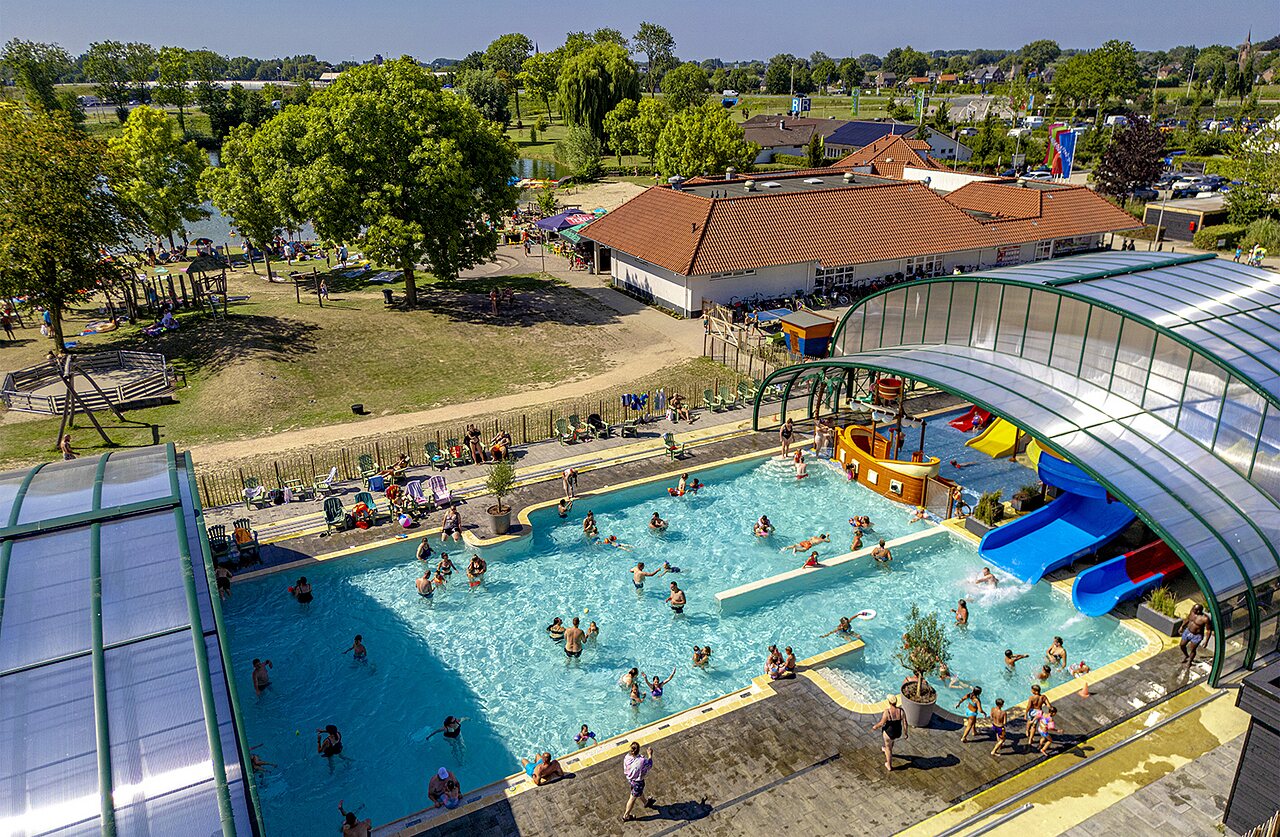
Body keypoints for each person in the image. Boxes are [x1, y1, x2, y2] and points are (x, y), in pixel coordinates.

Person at [872, 695, 908, 772]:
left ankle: (889, 765)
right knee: (891, 742)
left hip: (889, 732)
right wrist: (905, 733)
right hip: (897, 732)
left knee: (889, 748)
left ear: (889, 702)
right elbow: (905, 723)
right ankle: (887, 749)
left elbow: (882, 723)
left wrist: (875, 727)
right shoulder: (901, 711)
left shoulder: (887, 712)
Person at [621, 743, 655, 822]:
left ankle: (646, 802)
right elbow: (649, 765)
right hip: (638, 782)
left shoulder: (627, 757)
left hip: (631, 780)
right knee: (632, 798)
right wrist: (650, 755)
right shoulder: (642, 760)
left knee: (638, 792)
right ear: (639, 750)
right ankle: (626, 816)